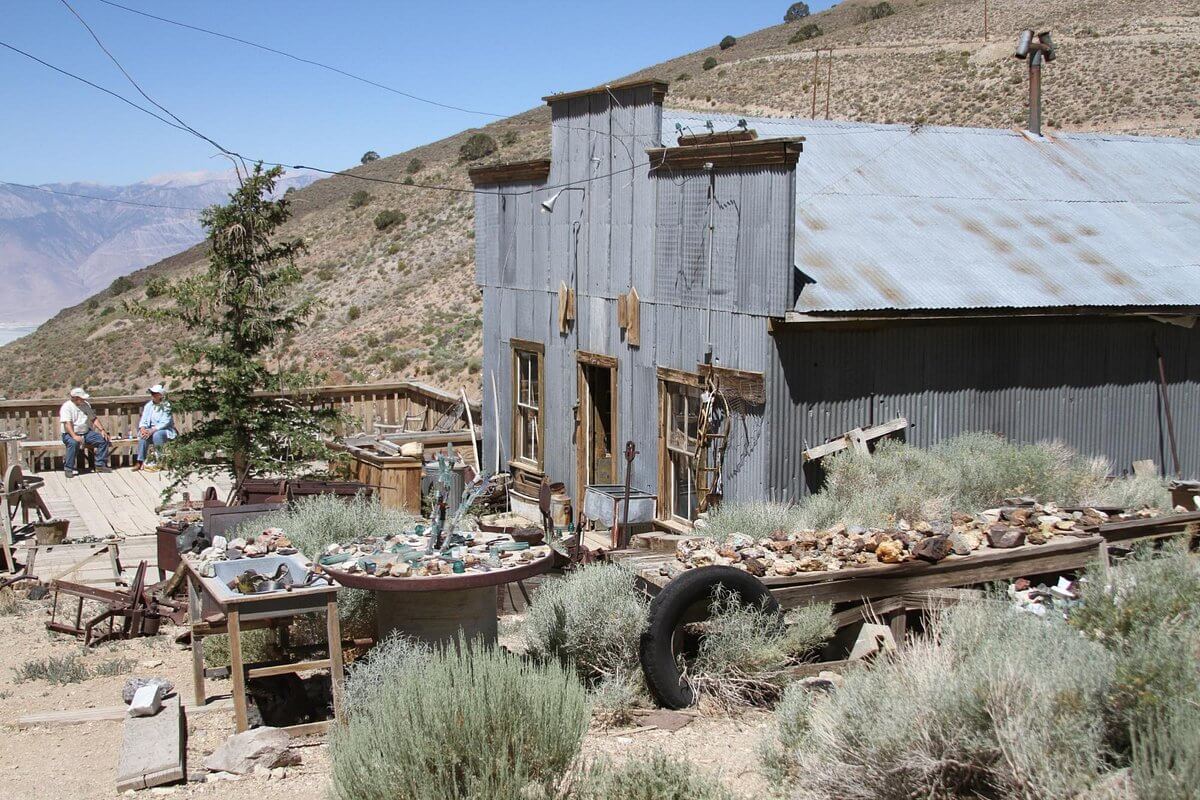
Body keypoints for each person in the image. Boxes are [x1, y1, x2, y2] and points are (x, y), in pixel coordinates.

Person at [59, 387, 111, 478]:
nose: (84, 399)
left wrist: (102, 430)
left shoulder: (86, 405)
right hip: (70, 433)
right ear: (75, 398)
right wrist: (74, 436)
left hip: (86, 432)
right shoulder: (67, 407)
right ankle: (68, 468)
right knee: (73, 443)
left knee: (103, 439)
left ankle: (100, 464)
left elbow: (93, 418)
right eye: (81, 398)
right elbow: (67, 424)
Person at [134, 384, 176, 471]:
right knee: (143, 436)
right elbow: (144, 419)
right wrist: (142, 428)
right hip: (150, 429)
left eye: (155, 393)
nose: (153, 394)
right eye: (152, 393)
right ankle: (140, 461)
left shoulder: (166, 405)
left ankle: (160, 460)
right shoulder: (148, 405)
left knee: (157, 435)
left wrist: (152, 430)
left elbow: (165, 422)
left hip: (164, 430)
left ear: (160, 394)